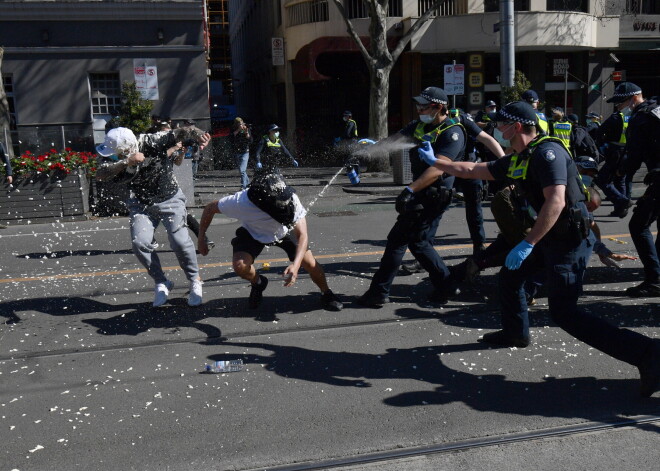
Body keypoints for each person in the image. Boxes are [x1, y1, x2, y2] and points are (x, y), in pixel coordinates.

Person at [419, 100, 660, 398]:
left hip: (569, 243)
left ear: (516, 126)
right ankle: (515, 333)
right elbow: (471, 169)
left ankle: (647, 354)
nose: (497, 129)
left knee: (565, 312)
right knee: (510, 276)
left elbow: (556, 201)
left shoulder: (548, 153)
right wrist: (438, 162)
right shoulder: (521, 156)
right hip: (549, 238)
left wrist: (528, 242)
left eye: (501, 124)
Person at [356, 86, 465, 307]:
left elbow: (437, 169)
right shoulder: (420, 125)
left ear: (439, 107)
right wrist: (364, 154)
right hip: (422, 192)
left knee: (398, 241)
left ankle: (378, 292)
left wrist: (409, 191)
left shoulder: (452, 132)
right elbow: (395, 139)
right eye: (418, 105)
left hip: (434, 194)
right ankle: (447, 286)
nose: (419, 110)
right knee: (419, 243)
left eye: (424, 106)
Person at [95, 126, 210, 307]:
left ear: (129, 146)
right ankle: (161, 281)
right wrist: (125, 162)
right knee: (140, 243)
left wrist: (200, 135)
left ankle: (195, 279)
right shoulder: (111, 153)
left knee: (179, 241)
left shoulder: (151, 141)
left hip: (169, 198)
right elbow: (100, 174)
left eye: (119, 153)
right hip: (141, 204)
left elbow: (184, 131)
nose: (113, 155)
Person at [196, 172, 343, 311]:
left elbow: (302, 235)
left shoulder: (290, 197)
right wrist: (201, 238)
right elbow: (210, 208)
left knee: (310, 264)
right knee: (240, 266)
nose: (284, 202)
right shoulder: (241, 202)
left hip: (285, 231)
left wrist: (296, 266)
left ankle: (326, 293)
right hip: (253, 232)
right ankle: (258, 283)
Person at [612, 82, 660, 297]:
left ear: (634, 97)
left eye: (622, 101)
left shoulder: (643, 117)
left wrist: (622, 172)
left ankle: (654, 280)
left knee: (638, 225)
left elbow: (635, 153)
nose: (620, 106)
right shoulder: (657, 109)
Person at [595, 101, 633, 218]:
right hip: (628, 152)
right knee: (620, 180)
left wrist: (603, 144)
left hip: (615, 152)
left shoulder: (616, 117)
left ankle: (622, 201)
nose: (617, 105)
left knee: (602, 180)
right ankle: (620, 210)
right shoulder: (632, 117)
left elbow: (600, 132)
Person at [227, 117, 252, 189]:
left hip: (245, 152)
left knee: (242, 170)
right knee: (242, 170)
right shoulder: (233, 129)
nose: (241, 125)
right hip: (236, 152)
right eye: (239, 124)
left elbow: (250, 140)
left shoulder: (246, 129)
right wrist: (238, 130)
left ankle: (243, 186)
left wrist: (246, 132)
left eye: (241, 123)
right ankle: (248, 184)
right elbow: (230, 138)